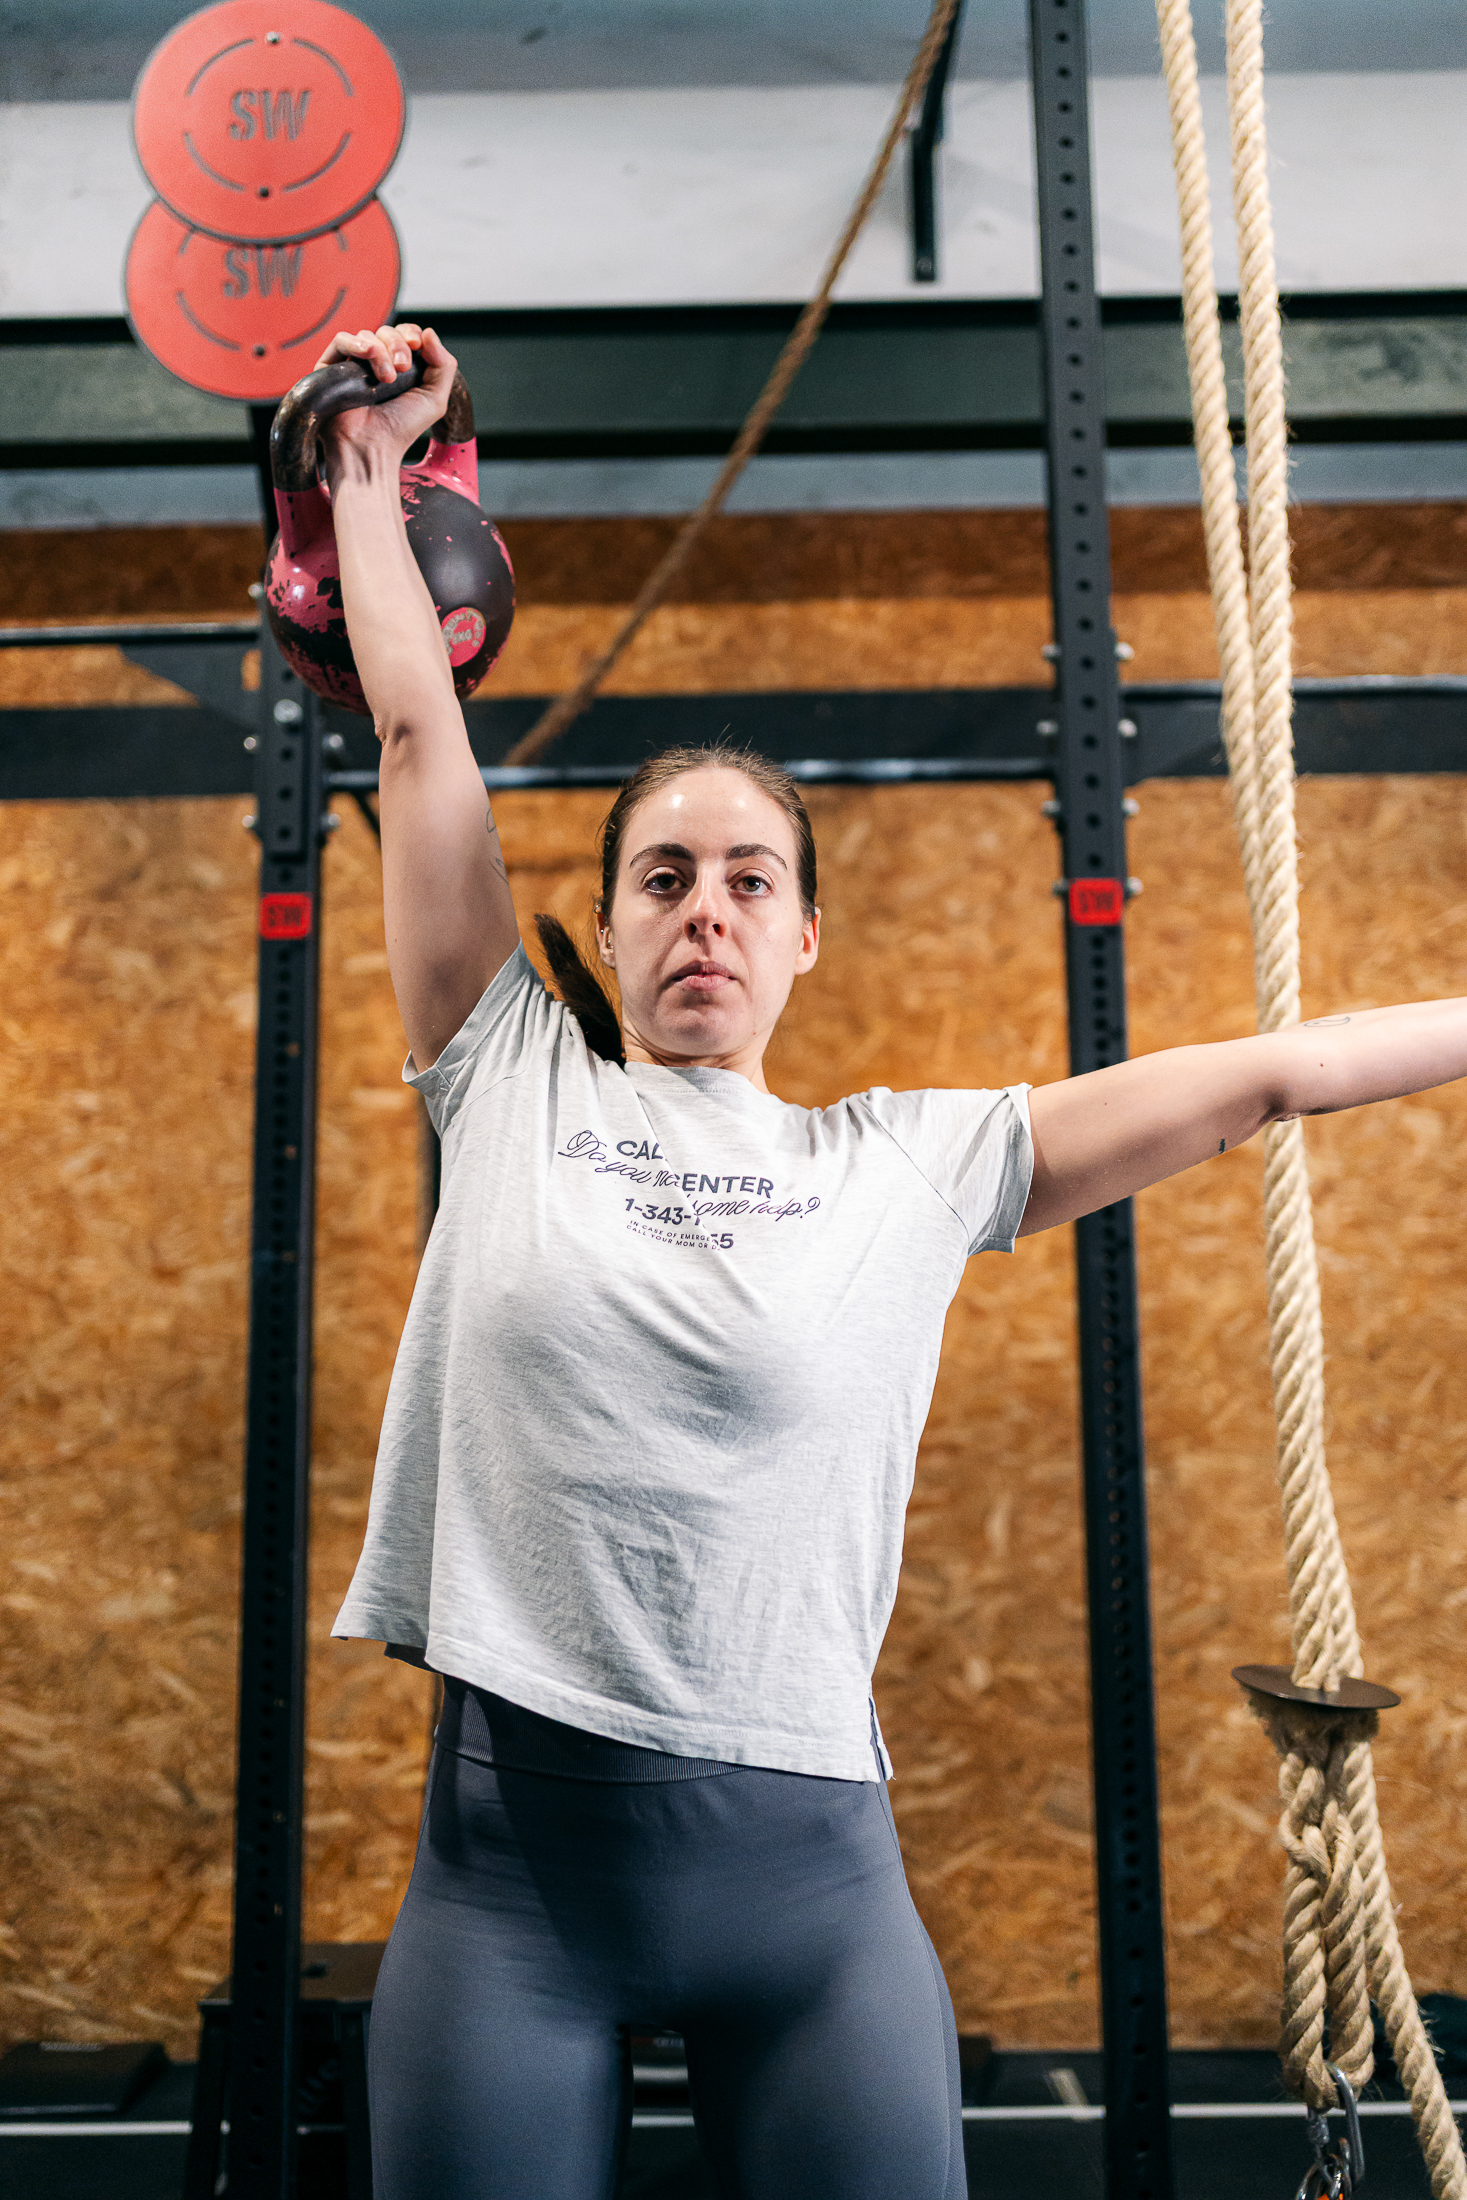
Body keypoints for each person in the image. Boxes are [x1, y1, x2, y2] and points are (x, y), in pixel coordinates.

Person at [324, 323, 1467, 2200]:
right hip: (513, 1899)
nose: (705, 911)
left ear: (804, 938)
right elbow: (416, 732)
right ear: (604, 929)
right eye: (664, 879)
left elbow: (1280, 1072)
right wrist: (374, 474)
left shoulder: (914, 1163)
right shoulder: (509, 1072)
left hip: (809, 1907)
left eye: (749, 880)